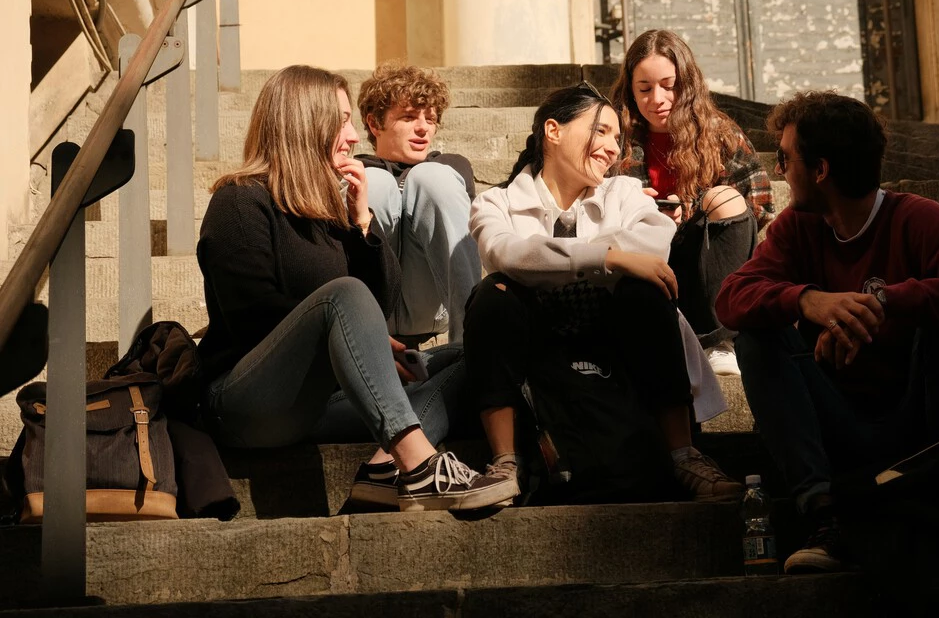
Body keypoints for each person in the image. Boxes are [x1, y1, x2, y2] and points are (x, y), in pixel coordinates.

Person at [715, 90, 939, 573]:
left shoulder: (916, 218)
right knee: (758, 335)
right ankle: (825, 515)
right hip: (838, 425)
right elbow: (731, 298)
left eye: (786, 158)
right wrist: (809, 301)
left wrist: (886, 302)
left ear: (820, 169)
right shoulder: (798, 227)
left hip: (918, 423)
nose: (779, 170)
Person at [195, 65, 517, 512]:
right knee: (343, 294)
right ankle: (420, 466)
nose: (352, 137)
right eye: (342, 122)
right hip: (247, 403)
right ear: (306, 124)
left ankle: (384, 467)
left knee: (470, 356)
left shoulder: (329, 209)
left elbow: (379, 303)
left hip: (324, 403)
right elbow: (251, 317)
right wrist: (344, 336)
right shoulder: (239, 201)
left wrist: (362, 223)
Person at [464, 82, 743, 503]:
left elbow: (654, 246)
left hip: (616, 337)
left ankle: (684, 455)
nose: (613, 148)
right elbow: (507, 254)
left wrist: (551, 262)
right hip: (535, 345)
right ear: (553, 131)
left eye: (617, 137)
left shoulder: (624, 191)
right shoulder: (495, 203)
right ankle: (505, 463)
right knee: (493, 295)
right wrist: (610, 258)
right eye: (601, 131)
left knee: (644, 293)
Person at [610, 29, 774, 376]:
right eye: (644, 89)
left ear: (687, 83)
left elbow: (758, 207)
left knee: (725, 198)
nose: (657, 99)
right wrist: (633, 208)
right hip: (644, 264)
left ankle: (721, 342)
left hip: (706, 271)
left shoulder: (718, 134)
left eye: (669, 86)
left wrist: (694, 212)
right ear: (630, 90)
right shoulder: (615, 137)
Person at [356, 62, 479, 344]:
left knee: (432, 177)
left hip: (433, 309)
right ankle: (352, 329)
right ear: (374, 123)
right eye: (409, 117)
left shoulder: (451, 167)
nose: (423, 128)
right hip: (368, 314)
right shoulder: (357, 169)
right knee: (371, 181)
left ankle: (472, 341)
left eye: (431, 119)